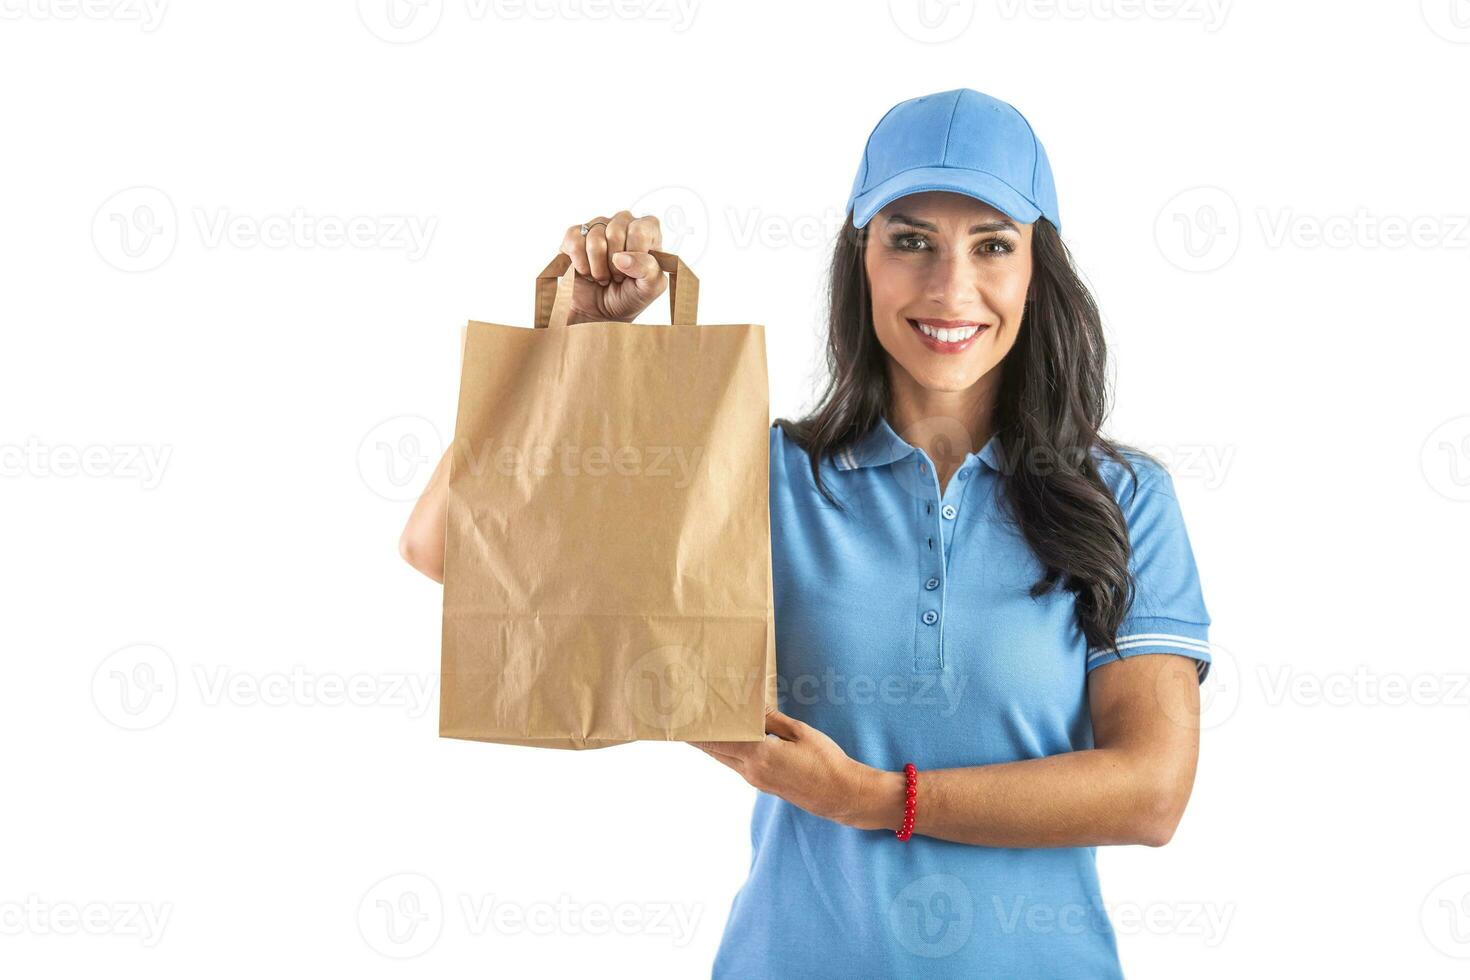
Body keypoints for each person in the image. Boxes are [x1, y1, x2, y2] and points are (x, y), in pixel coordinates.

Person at [400, 88, 1213, 979]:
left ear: (1037, 270)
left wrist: (876, 801)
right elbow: (448, 548)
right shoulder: (760, 480)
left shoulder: (1121, 499)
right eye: (910, 241)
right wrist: (579, 342)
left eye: (992, 245)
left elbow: (1151, 791)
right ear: (859, 260)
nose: (951, 287)